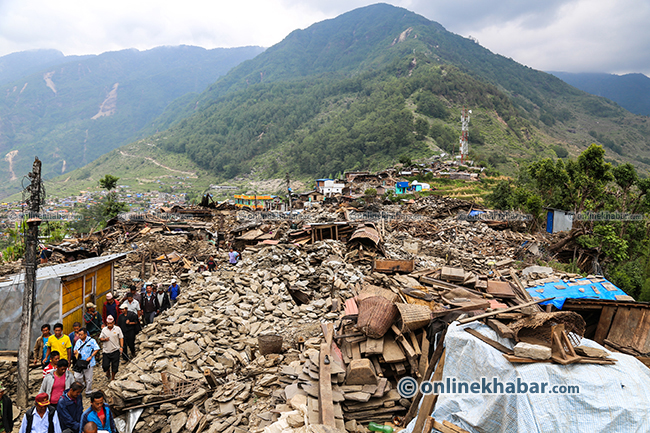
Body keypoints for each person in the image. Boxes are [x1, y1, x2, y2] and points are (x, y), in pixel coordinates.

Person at [72, 329, 100, 396]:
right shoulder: (78, 341)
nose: (79, 336)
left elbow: (97, 349)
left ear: (85, 334)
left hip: (88, 362)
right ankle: (82, 385)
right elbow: (75, 349)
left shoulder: (91, 341)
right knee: (77, 376)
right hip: (79, 362)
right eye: (79, 335)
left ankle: (88, 391)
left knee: (88, 378)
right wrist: (75, 352)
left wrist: (91, 356)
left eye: (81, 335)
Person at [98, 316, 123, 381]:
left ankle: (113, 377)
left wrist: (121, 347)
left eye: (110, 323)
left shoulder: (117, 329)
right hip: (106, 351)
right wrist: (104, 339)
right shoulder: (104, 329)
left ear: (113, 323)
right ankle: (108, 371)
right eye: (108, 323)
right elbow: (100, 338)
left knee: (115, 365)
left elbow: (121, 338)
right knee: (105, 365)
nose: (109, 325)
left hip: (115, 350)